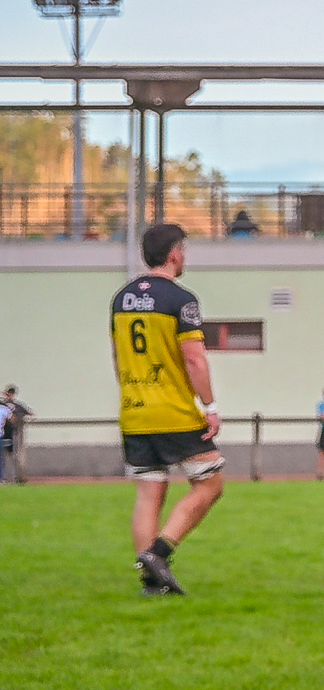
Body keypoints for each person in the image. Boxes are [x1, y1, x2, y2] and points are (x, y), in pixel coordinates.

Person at [111, 223, 227, 595]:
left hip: (134, 410)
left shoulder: (121, 298)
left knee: (149, 495)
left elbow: (117, 357)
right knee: (210, 484)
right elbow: (194, 358)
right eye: (185, 251)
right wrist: (210, 406)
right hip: (173, 411)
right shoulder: (182, 300)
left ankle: (152, 583)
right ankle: (159, 553)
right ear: (175, 254)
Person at [1, 386, 30, 484]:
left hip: (15, 433)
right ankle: (3, 477)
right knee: (2, 457)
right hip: (4, 434)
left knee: (17, 456)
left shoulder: (17, 406)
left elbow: (30, 413)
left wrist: (20, 419)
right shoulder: (3, 405)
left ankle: (19, 477)